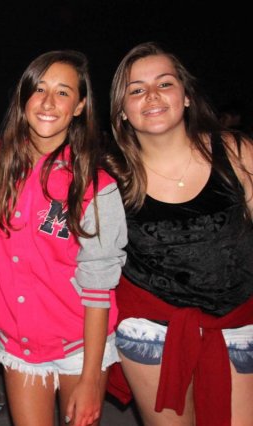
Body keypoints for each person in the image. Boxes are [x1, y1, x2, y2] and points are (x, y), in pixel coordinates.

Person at [105, 42, 253, 426]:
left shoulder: (236, 152)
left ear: (186, 96)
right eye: (136, 89)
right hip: (150, 331)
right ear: (122, 110)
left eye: (165, 83)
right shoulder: (110, 175)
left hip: (239, 323)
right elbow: (52, 228)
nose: (152, 95)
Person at [0, 51, 127, 426]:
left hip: (80, 346)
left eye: (63, 92)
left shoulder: (96, 185)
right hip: (19, 342)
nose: (48, 102)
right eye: (39, 89)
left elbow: (99, 288)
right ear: (24, 98)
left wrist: (91, 378)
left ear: (79, 106)